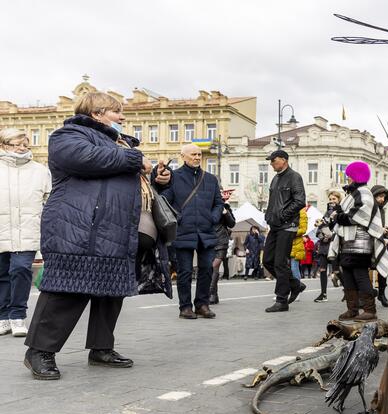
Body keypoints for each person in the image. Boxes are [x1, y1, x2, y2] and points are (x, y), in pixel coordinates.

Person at [24, 92, 171, 380]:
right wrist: (134, 158)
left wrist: (158, 180)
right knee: (67, 289)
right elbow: (87, 158)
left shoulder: (121, 143)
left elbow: (124, 179)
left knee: (110, 290)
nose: (122, 117)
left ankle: (102, 348)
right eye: (117, 112)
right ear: (97, 113)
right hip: (78, 227)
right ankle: (39, 351)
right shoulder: (67, 135)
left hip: (115, 230)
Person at [153, 144, 223, 320]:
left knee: (207, 269)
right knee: (184, 271)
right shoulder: (174, 177)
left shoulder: (211, 179)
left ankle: (202, 305)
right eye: (193, 154)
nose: (197, 157)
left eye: (199, 154)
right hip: (183, 230)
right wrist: (158, 175)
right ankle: (185, 307)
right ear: (183, 157)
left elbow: (218, 203)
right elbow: (162, 197)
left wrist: (212, 218)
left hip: (206, 231)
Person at [0, 129, 51, 338]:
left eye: (24, 144)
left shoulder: (40, 170)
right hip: (2, 229)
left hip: (28, 230)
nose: (21, 148)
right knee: (2, 274)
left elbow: (49, 199)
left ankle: (18, 315)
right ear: (3, 145)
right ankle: (3, 317)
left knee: (20, 269)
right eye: (15, 144)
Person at [329, 161, 388, 321]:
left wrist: (338, 217)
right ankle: (353, 309)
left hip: (360, 243)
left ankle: (370, 310)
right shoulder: (354, 193)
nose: (347, 178)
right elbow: (340, 214)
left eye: (349, 175)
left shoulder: (363, 193)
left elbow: (359, 216)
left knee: (360, 274)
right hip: (348, 242)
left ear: (356, 176)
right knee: (348, 274)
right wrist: (335, 216)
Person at [262, 149, 306, 312]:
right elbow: (273, 202)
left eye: (273, 160)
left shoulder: (294, 177)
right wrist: (270, 216)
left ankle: (282, 300)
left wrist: (282, 215)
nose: (271, 163)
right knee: (267, 260)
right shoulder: (275, 179)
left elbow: (300, 201)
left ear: (283, 160)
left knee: (280, 262)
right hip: (275, 225)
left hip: (288, 225)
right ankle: (295, 284)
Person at [313, 192, 341, 302]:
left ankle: (348, 292)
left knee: (337, 271)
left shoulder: (340, 212)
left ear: (338, 200)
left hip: (334, 244)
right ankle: (323, 294)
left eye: (334, 198)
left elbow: (339, 228)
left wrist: (331, 234)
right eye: (330, 199)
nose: (332, 201)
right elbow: (319, 228)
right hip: (324, 246)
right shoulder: (326, 213)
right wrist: (322, 235)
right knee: (322, 269)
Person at [370, 185, 388, 308]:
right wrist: (380, 230)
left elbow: (382, 227)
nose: (381, 199)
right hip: (368, 242)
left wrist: (387, 233)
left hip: (379, 242)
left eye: (383, 197)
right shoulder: (369, 208)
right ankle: (366, 295)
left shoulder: (382, 210)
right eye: (379, 196)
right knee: (364, 270)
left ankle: (381, 293)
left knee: (383, 269)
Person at [209, 192, 236, 305]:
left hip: (221, 239)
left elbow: (232, 224)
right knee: (210, 268)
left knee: (214, 265)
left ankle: (209, 293)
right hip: (208, 240)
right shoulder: (206, 206)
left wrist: (226, 213)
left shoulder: (225, 207)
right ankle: (214, 295)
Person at [290, 207, 308, 281]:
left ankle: (297, 287)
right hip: (284, 243)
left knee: (294, 268)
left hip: (296, 244)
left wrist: (290, 232)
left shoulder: (301, 212)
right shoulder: (284, 209)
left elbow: (303, 229)